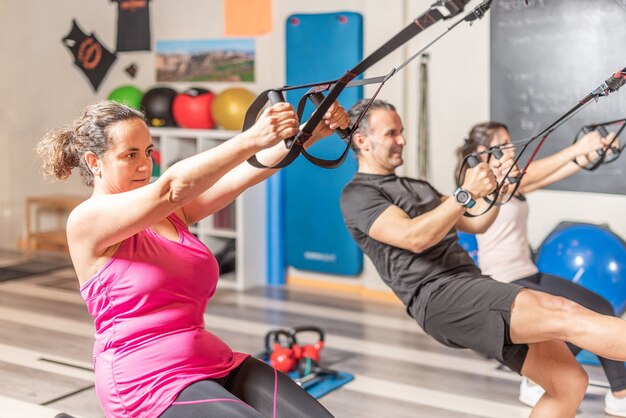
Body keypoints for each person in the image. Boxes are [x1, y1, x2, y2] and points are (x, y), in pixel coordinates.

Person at [36, 99, 349, 418]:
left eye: (147, 151)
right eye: (130, 154)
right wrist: (252, 137)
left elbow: (245, 173)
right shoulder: (87, 220)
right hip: (146, 380)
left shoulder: (169, 213)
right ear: (94, 162)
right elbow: (173, 187)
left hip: (210, 360)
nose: (145, 165)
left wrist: (311, 132)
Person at [340, 98, 626, 418]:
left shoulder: (416, 186)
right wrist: (465, 192)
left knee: (569, 382)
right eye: (392, 133)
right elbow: (414, 238)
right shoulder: (358, 194)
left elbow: (476, 222)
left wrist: (491, 192)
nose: (402, 140)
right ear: (362, 141)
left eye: (402, 131)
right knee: (565, 312)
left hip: (469, 283)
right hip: (439, 295)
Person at [456, 121, 626, 416]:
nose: (512, 148)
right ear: (484, 152)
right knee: (579, 320)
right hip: (502, 281)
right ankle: (600, 388)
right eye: (504, 143)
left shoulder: (514, 183)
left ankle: (605, 391)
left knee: (601, 307)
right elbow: (547, 165)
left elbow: (564, 167)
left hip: (528, 271)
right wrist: (578, 148)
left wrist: (593, 150)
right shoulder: (483, 188)